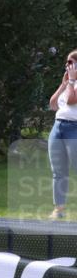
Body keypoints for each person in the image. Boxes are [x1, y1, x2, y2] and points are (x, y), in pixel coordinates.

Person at [47, 49, 77, 219]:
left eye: (70, 63)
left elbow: (72, 100)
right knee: (58, 171)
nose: (67, 66)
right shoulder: (69, 82)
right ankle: (59, 209)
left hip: (74, 129)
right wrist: (63, 84)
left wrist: (72, 81)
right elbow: (53, 105)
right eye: (67, 63)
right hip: (58, 127)